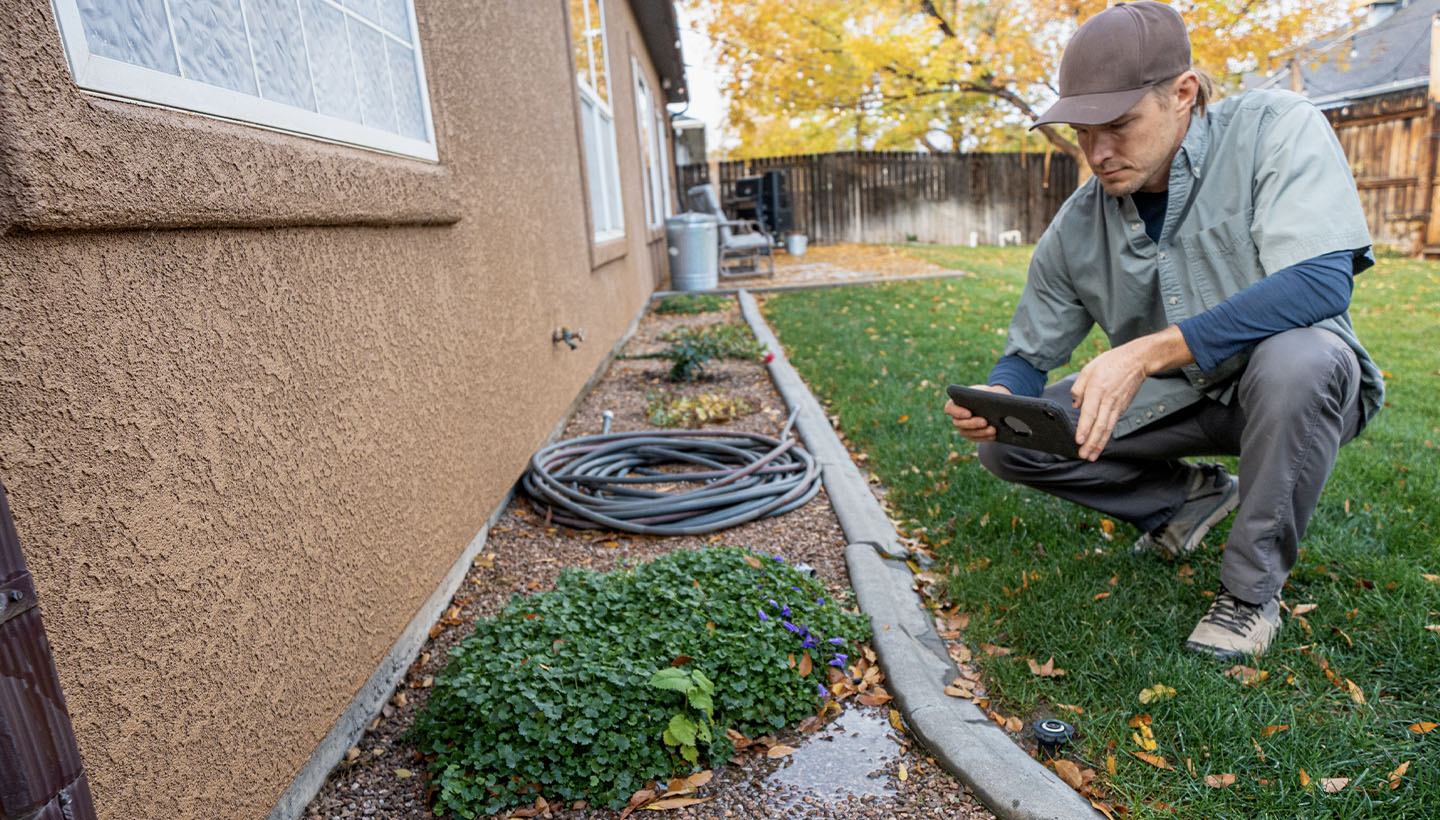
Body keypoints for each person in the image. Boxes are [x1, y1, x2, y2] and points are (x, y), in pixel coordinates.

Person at [942, 1, 1383, 660]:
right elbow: (1027, 356)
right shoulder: (1078, 223)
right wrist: (999, 395)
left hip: (1297, 391)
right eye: (1084, 132)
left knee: (1300, 358)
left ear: (1182, 95)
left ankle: (1248, 596)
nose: (1098, 152)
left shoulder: (1274, 128)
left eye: (1118, 125)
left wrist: (1151, 351)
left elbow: (1321, 281)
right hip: (1182, 401)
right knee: (1011, 444)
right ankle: (1185, 500)